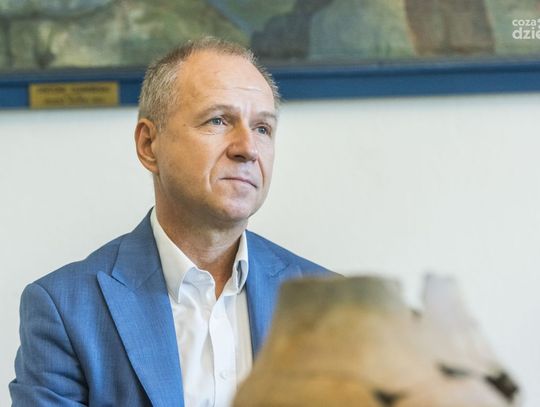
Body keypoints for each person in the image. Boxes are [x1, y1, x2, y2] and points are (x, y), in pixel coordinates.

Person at [10, 37, 330, 407]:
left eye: (262, 128)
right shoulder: (66, 309)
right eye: (218, 120)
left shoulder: (330, 301)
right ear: (149, 144)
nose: (248, 148)